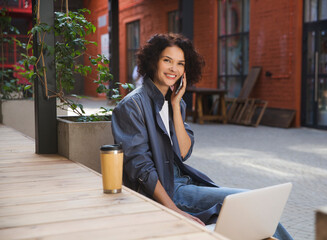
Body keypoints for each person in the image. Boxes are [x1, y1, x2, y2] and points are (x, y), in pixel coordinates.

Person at [111, 33, 293, 239]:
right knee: (248, 202)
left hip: (183, 182)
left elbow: (184, 151)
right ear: (153, 61)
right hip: (163, 191)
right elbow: (141, 170)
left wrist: (176, 105)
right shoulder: (132, 106)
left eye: (180, 63)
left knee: (251, 208)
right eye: (167, 61)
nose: (174, 69)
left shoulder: (174, 102)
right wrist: (174, 211)